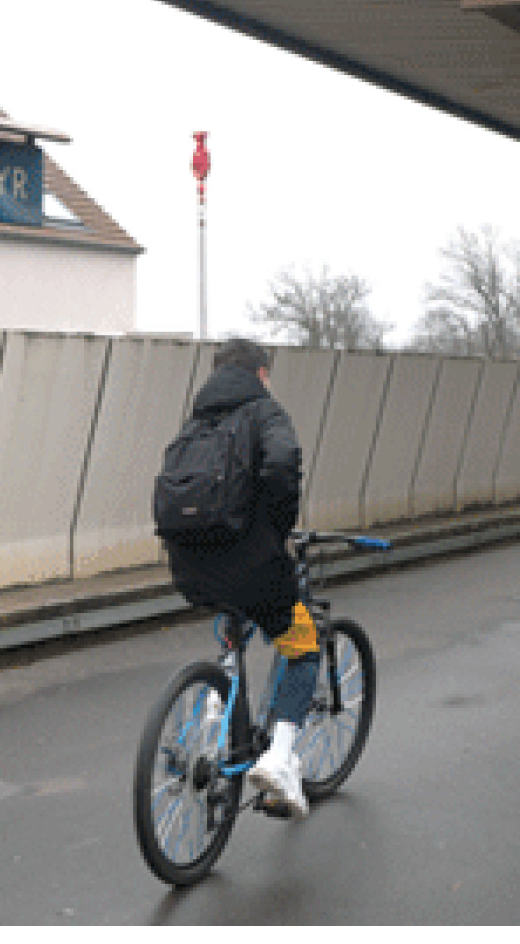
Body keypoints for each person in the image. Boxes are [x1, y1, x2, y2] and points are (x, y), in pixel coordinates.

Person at [160, 338, 313, 818]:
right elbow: (284, 463)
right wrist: (274, 530)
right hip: (250, 563)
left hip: (189, 565)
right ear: (261, 374)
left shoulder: (195, 422)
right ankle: (281, 758)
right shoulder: (264, 412)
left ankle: (213, 720)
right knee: (302, 641)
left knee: (234, 619)